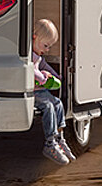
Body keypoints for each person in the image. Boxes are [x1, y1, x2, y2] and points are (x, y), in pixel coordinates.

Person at [32, 18, 76, 164]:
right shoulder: (27, 55)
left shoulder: (39, 57)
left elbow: (46, 69)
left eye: (49, 47)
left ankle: (60, 138)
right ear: (34, 37)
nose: (47, 50)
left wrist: (54, 77)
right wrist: (43, 78)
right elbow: (31, 70)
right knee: (48, 106)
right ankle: (50, 143)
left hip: (40, 91)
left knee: (57, 103)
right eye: (45, 45)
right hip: (32, 92)